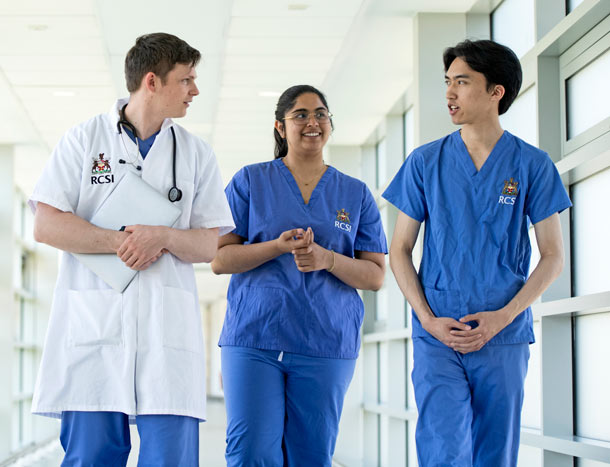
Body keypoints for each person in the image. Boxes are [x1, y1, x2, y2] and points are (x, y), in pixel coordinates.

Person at [30, 33, 235, 466]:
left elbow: (209, 243)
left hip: (168, 339)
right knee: (91, 458)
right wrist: (122, 242)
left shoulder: (196, 154)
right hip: (93, 336)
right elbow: (46, 225)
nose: (195, 90)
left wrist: (163, 236)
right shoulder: (83, 141)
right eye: (186, 80)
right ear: (152, 82)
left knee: (170, 461)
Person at [382, 39, 572, 466]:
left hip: (502, 336)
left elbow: (553, 256)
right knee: (442, 450)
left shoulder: (532, 165)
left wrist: (505, 316)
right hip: (439, 335)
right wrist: (428, 320)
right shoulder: (425, 162)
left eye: (462, 82)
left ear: (495, 92)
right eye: (447, 82)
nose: (449, 93)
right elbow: (400, 250)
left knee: (495, 455)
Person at [211, 84, 387, 466]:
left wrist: (329, 260)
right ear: (280, 127)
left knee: (311, 455)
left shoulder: (355, 193)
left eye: (321, 113)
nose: (313, 122)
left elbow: (375, 276)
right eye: (301, 115)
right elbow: (219, 259)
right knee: (251, 453)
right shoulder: (250, 182)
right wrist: (275, 247)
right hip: (255, 338)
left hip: (325, 340)